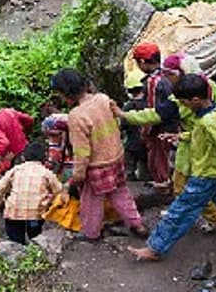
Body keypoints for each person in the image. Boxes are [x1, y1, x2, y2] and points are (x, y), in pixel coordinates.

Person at [129, 74, 216, 261]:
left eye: (184, 102)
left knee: (180, 211)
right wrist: (182, 137)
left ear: (195, 100)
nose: (183, 106)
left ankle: (155, 248)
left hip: (205, 175)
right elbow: (204, 136)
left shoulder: (207, 122)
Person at [119, 54, 216, 233]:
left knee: (191, 187)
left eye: (169, 75)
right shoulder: (201, 90)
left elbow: (159, 114)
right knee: (185, 185)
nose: (166, 78)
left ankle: (210, 216)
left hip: (201, 149)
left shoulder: (190, 99)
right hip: (188, 144)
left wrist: (126, 116)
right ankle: (199, 214)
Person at [50, 68, 147, 241]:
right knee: (121, 193)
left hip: (97, 167)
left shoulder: (76, 116)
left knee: (91, 202)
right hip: (116, 158)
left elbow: (82, 153)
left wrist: (76, 177)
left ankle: (91, 233)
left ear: (66, 94)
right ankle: (137, 224)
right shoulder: (102, 98)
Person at [0, 142, 63, 244]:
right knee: (35, 242)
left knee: (15, 242)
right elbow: (60, 192)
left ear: (23, 157)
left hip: (14, 214)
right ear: (44, 158)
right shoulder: (46, 173)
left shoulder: (16, 170)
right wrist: (50, 201)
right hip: (36, 215)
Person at [132, 42, 176, 191]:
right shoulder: (167, 76)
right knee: (165, 156)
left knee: (158, 158)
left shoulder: (153, 82)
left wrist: (146, 130)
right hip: (170, 125)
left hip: (158, 128)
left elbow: (153, 109)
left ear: (143, 62)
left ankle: (163, 185)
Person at [120, 68, 149, 181]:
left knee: (129, 171)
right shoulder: (149, 103)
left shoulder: (128, 107)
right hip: (147, 144)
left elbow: (122, 126)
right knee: (146, 170)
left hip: (132, 145)